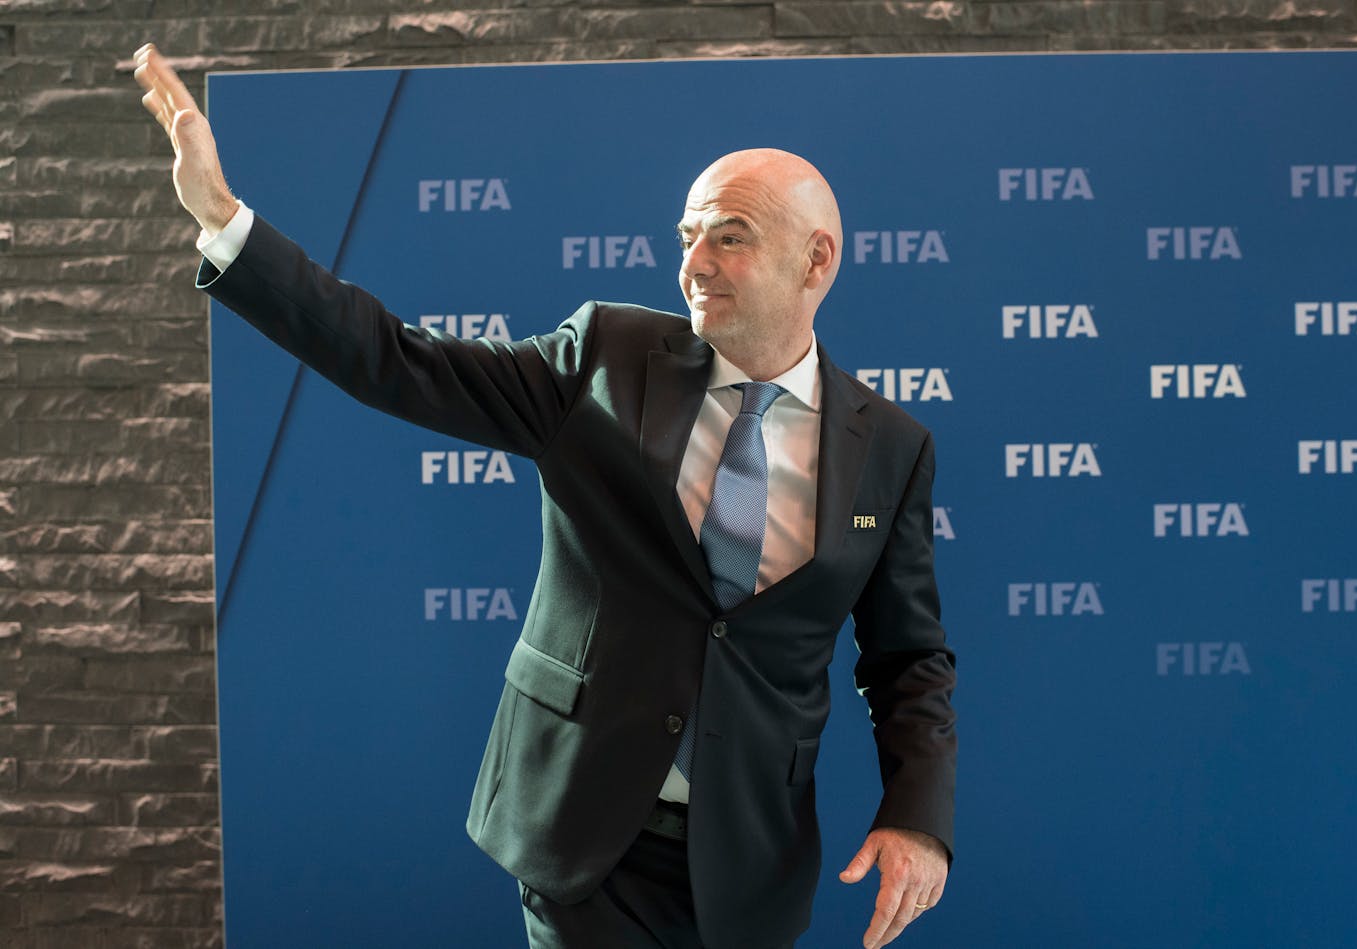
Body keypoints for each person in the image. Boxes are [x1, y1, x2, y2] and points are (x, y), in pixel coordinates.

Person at [133, 43, 957, 949]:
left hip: (750, 859)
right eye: (686, 236)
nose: (695, 263)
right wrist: (224, 220)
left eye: (729, 235)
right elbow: (400, 362)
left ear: (816, 261)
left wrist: (916, 816)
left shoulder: (891, 447)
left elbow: (908, 658)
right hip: (583, 835)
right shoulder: (603, 356)